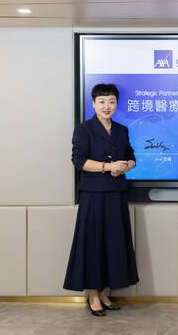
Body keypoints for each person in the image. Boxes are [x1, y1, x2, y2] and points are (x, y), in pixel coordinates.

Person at [64, 83, 139, 317]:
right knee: (93, 244)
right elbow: (78, 161)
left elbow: (132, 158)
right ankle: (93, 295)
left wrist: (125, 166)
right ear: (93, 104)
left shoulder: (121, 130)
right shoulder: (84, 130)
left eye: (112, 102)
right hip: (94, 195)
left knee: (113, 244)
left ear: (117, 104)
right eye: (102, 102)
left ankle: (105, 292)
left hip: (116, 193)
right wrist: (108, 167)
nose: (107, 106)